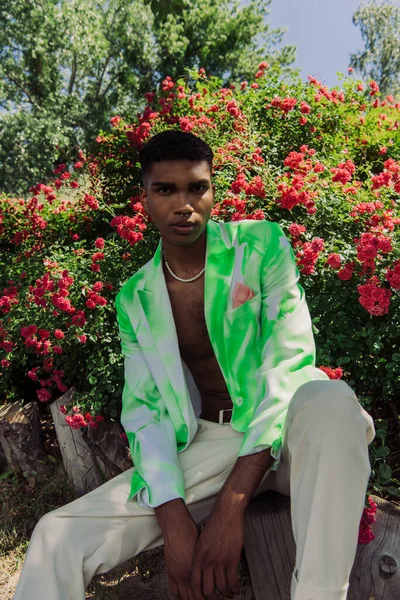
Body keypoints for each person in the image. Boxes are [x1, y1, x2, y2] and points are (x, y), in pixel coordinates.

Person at [14, 130, 376, 600]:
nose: (183, 203)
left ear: (212, 191)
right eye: (166, 190)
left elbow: (289, 361)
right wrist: (174, 517)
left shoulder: (261, 244)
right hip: (211, 442)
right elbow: (146, 413)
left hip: (289, 434)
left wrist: (232, 504)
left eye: (196, 187)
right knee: (53, 535)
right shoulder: (135, 298)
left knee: (330, 399)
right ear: (144, 198)